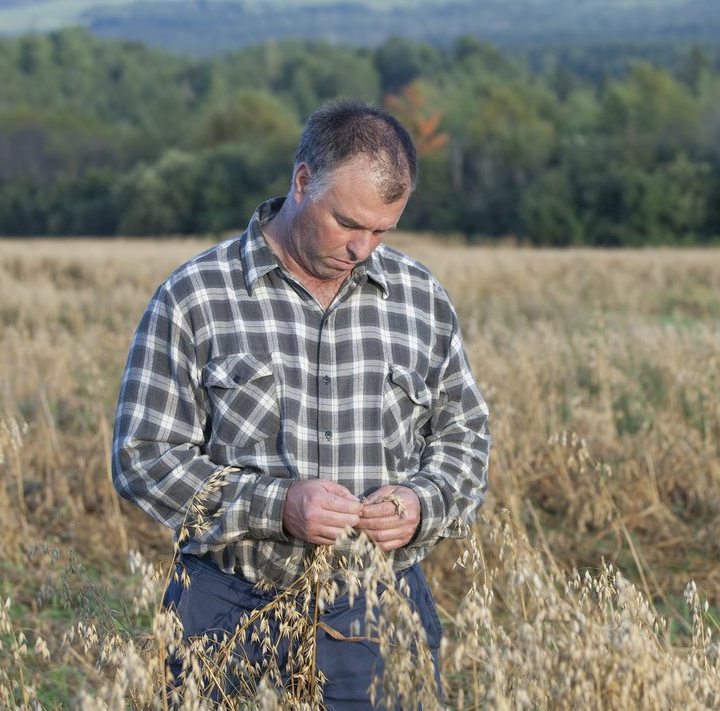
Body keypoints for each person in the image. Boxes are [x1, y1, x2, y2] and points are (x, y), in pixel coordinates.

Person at [111, 99, 490, 707]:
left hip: (377, 606)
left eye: (382, 231)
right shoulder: (195, 296)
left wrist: (423, 503)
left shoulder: (420, 298)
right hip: (226, 603)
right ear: (302, 181)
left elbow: (465, 437)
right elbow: (142, 459)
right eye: (347, 222)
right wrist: (277, 506)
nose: (362, 247)